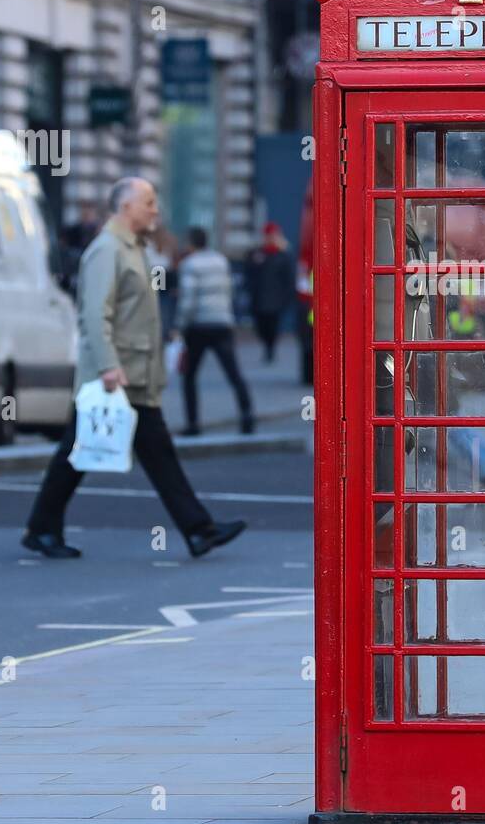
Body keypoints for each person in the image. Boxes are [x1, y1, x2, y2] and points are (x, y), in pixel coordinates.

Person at [21, 177, 247, 561]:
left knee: (144, 453)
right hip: (116, 375)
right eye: (149, 202)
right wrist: (109, 367)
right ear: (125, 207)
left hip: (134, 373)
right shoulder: (106, 250)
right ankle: (43, 527)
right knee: (79, 453)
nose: (155, 210)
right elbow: (94, 315)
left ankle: (198, 530)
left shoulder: (131, 248)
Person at [177, 226, 255, 436]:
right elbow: (229, 290)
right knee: (234, 373)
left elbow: (188, 300)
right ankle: (247, 416)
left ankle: (193, 424)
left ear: (191, 243)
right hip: (222, 323)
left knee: (189, 376)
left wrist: (180, 325)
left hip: (199, 326)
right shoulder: (221, 261)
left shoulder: (189, 264)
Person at [245, 222, 296, 363]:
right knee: (261, 327)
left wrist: (287, 297)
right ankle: (267, 345)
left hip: (276, 299)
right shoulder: (257, 253)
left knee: (273, 327)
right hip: (259, 298)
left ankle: (270, 349)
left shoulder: (284, 255)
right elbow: (248, 273)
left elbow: (289, 277)